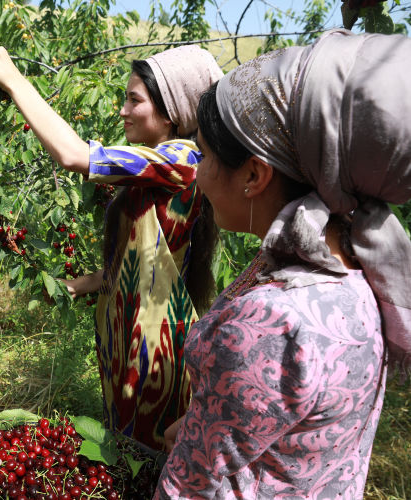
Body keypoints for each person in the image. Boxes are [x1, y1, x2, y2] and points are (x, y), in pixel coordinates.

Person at [156, 29, 411, 499]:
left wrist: (199, 445)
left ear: (254, 174)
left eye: (206, 156)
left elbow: (188, 488)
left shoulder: (271, 321)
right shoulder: (354, 268)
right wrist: (201, 425)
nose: (199, 175)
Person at [0, 45, 223, 450]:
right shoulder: (153, 164)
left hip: (155, 342)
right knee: (126, 444)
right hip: (126, 330)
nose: (123, 111)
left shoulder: (182, 159)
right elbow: (146, 248)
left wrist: (13, 80)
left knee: (148, 453)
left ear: (172, 113)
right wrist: (90, 282)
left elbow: (74, 156)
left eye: (135, 100)